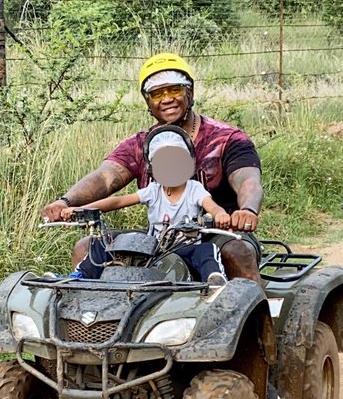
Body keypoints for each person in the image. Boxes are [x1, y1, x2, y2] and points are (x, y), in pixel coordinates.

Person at [39, 52, 265, 281]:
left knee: (236, 251)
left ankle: (252, 304)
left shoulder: (227, 138)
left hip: (217, 234)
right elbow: (106, 177)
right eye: (157, 93)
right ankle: (86, 300)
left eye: (174, 90)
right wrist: (66, 203)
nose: (166, 99)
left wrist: (246, 210)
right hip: (161, 238)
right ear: (148, 101)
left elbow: (247, 180)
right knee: (86, 246)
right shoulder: (142, 145)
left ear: (190, 92)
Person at [60, 125, 231, 285]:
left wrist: (220, 214)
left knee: (206, 249)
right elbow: (119, 201)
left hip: (185, 247)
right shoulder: (153, 190)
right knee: (103, 242)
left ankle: (214, 279)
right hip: (153, 248)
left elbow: (211, 206)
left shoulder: (194, 189)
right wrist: (83, 209)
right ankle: (79, 276)